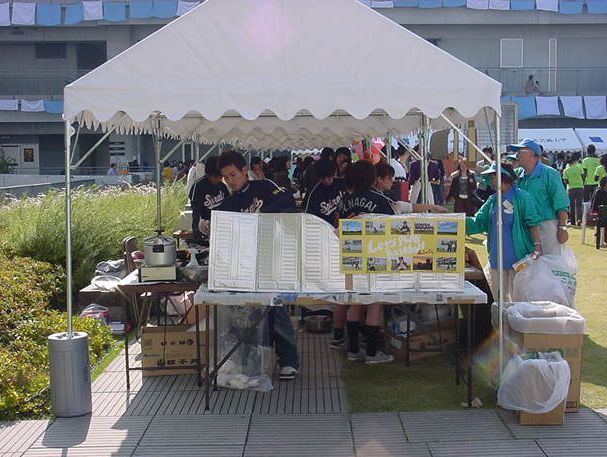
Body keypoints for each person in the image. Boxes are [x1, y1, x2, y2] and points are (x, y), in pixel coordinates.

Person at [216, 150, 299, 381]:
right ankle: (251, 362)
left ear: (245, 171)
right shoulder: (229, 203)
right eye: (226, 178)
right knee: (247, 314)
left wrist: (261, 215)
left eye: (233, 175)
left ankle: (289, 361)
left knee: (276, 310)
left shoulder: (264, 186)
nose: (230, 181)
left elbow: (288, 200)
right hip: (244, 264)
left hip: (272, 258)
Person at [337, 160, 394, 364]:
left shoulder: (344, 201)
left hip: (350, 253)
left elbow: (337, 226)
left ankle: (353, 349)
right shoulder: (380, 199)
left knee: (355, 301)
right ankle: (372, 352)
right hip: (374, 253)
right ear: (372, 178)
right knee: (374, 303)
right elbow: (393, 226)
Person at [466, 162, 542, 301]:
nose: (491, 181)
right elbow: (479, 222)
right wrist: (456, 222)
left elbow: (532, 223)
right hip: (496, 258)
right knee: (499, 298)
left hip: (518, 256)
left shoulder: (523, 198)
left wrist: (537, 247)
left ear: (502, 177)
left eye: (493, 177)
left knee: (520, 298)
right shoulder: (492, 200)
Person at [508, 138, 569, 256]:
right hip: (523, 226)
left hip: (546, 226)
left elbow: (561, 203)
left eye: (520, 151)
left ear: (532, 154)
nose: (516, 155)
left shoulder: (550, 174)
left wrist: (562, 228)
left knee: (550, 261)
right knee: (527, 262)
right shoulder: (516, 174)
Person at [374, 162, 446, 214]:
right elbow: (404, 206)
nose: (393, 181)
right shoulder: (382, 199)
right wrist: (433, 207)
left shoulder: (382, 197)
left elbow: (406, 206)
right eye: (389, 178)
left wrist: (433, 207)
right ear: (379, 179)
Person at [189, 156, 229, 237]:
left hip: (221, 227)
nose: (219, 179)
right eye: (216, 177)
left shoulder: (222, 187)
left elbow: (228, 205)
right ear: (209, 175)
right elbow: (196, 211)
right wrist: (197, 229)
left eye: (221, 177)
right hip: (204, 229)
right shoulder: (198, 186)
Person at [304, 159, 347, 226]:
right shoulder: (315, 193)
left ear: (334, 174)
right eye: (323, 178)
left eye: (329, 177)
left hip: (347, 226)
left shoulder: (343, 184)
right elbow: (309, 218)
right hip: (327, 229)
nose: (326, 181)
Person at [562, 153, 584, 226]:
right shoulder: (579, 167)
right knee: (579, 205)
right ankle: (579, 219)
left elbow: (565, 181)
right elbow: (583, 176)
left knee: (571, 205)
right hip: (580, 187)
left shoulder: (566, 170)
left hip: (571, 188)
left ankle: (572, 221)